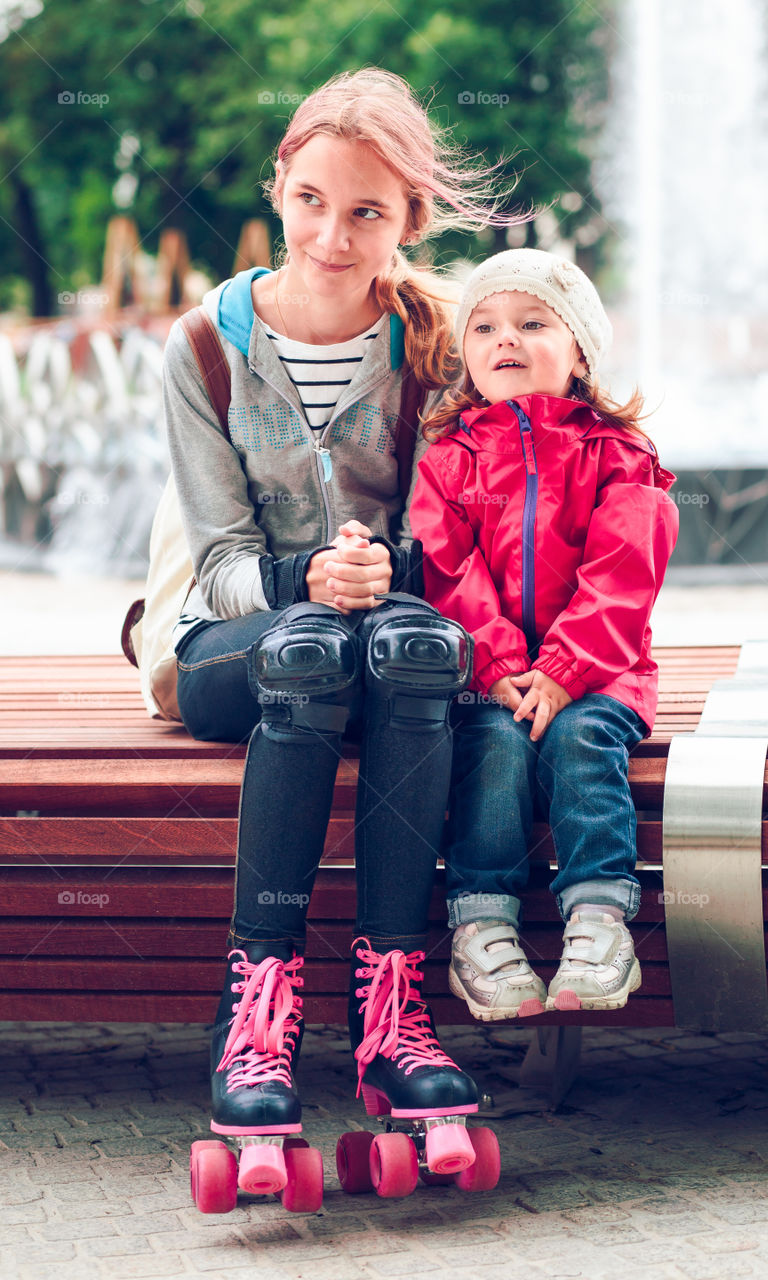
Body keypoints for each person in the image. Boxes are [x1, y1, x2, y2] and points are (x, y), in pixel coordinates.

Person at [165, 69, 518, 1197]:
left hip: (388, 637)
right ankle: (254, 1013)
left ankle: (391, 1011)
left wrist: (387, 566)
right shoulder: (207, 347)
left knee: (413, 646)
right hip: (235, 645)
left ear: (407, 221)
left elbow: (455, 551)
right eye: (312, 199)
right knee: (309, 645)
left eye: (366, 211)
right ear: (277, 186)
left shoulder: (434, 347)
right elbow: (217, 566)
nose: (331, 233)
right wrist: (304, 575)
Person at [409, 248, 679, 1022]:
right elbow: (446, 570)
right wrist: (496, 666)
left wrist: (563, 671)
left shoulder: (618, 455)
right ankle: (482, 924)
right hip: (489, 678)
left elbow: (623, 575)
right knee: (491, 746)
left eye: (533, 324)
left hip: (602, 675)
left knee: (580, 742)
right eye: (485, 326)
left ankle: (598, 918)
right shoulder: (450, 462)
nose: (507, 340)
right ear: (464, 354)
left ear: (581, 352)